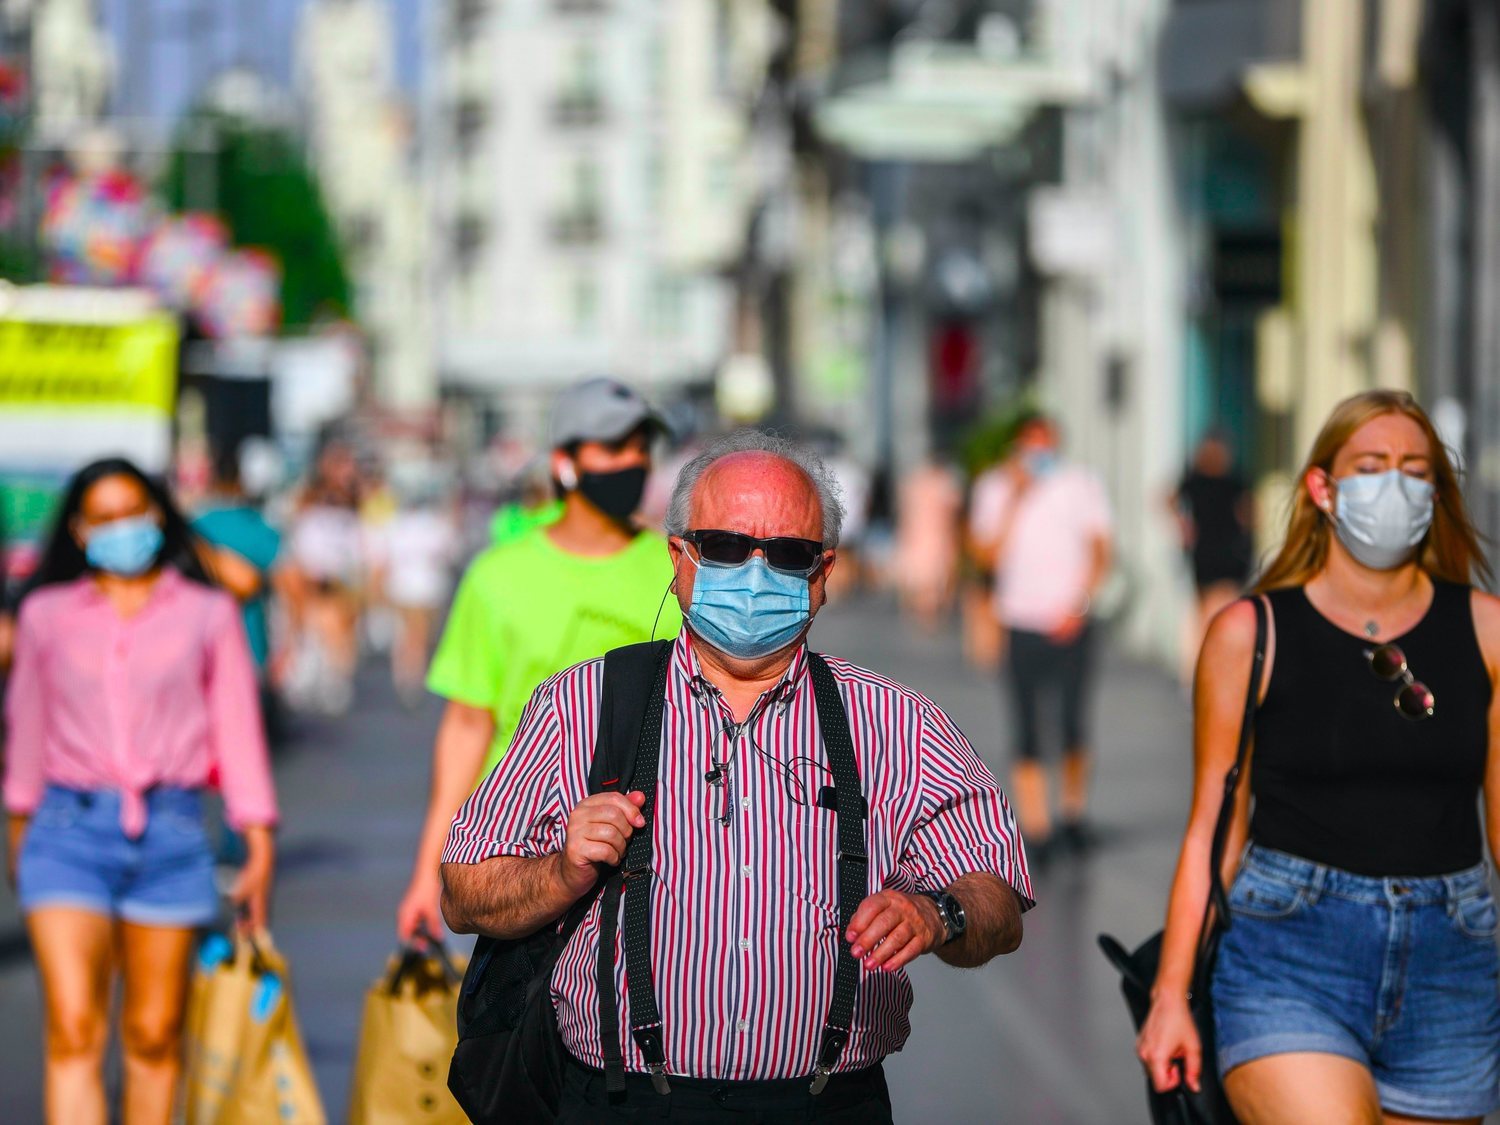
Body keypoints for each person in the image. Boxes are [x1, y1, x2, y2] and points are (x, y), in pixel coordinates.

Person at [440, 430, 1032, 1121]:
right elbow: (463, 890)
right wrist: (560, 873)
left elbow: (999, 892)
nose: (755, 572)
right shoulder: (584, 704)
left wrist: (940, 912)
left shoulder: (896, 722)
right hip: (622, 1101)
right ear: (679, 556)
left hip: (825, 1103)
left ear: (824, 572)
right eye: (725, 545)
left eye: (787, 553)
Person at [1137, 390, 1500, 1123]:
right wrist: (1170, 994)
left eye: (1414, 470)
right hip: (1290, 950)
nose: (1394, 485)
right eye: (1371, 465)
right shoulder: (1249, 632)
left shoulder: (1488, 631)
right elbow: (1214, 824)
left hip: (1452, 961)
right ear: (1322, 487)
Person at [3, 458, 278, 1125]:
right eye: (103, 515)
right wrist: (20, 836)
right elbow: (27, 729)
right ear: (77, 528)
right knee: (73, 1029)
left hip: (174, 834)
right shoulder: (46, 614)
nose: (121, 526)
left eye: (135, 510)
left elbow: (237, 727)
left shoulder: (207, 612)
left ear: (159, 514)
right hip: (65, 833)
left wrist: (258, 839)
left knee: (155, 1035)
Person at [395, 378, 682, 943]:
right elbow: (467, 726)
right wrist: (430, 871)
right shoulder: (496, 577)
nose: (633, 461)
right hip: (513, 850)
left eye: (641, 448)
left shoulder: (678, 568)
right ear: (565, 462)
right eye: (613, 446)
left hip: (647, 846)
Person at [969, 412, 1113, 857]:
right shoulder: (994, 488)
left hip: (1071, 621)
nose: (1038, 454)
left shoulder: (1080, 484)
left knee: (1072, 721)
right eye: (1030, 445)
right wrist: (1014, 499)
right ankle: (1037, 825)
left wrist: (1080, 603)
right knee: (1027, 724)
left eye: (1045, 444)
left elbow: (1101, 549)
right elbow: (985, 556)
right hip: (1020, 620)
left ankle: (1073, 814)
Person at [280, 438, 365, 715]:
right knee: (309, 622)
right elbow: (298, 533)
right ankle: (304, 673)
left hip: (341, 574)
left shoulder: (355, 500)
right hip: (311, 571)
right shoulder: (308, 497)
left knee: (339, 626)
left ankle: (334, 679)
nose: (347, 471)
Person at [1170, 432, 1254, 684]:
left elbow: (1248, 512)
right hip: (1211, 555)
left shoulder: (1228, 481)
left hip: (1224, 556)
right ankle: (1209, 673)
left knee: (1215, 614)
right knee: (1212, 615)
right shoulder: (1200, 481)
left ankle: (1208, 672)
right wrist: (1183, 526)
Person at [380, 480, 460, 706]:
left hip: (403, 587)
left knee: (408, 634)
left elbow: (385, 560)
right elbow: (449, 553)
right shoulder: (435, 525)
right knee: (418, 636)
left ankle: (405, 673)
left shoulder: (396, 525)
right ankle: (412, 678)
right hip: (426, 589)